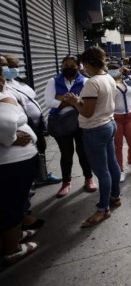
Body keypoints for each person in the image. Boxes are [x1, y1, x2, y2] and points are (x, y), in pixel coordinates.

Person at [64, 47, 121, 228]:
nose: (82, 69)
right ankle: (115, 196)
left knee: (102, 170)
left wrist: (74, 103)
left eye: (83, 65)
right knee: (112, 163)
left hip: (95, 129)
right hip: (109, 124)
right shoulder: (109, 78)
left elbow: (87, 113)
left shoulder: (92, 82)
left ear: (88, 63)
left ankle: (103, 209)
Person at [0, 66, 40, 265]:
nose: (2, 79)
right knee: (10, 205)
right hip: (10, 164)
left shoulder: (9, 90)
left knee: (14, 203)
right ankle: (12, 249)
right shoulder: (4, 98)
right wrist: (11, 138)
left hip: (16, 163)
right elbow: (6, 124)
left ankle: (15, 235)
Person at [2, 55, 61, 187]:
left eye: (16, 67)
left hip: (36, 123)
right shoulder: (5, 86)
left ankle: (42, 175)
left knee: (41, 148)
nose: (13, 70)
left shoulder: (17, 81)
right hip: (22, 126)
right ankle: (30, 182)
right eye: (11, 67)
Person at [44, 55, 96, 198]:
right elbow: (48, 101)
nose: (68, 68)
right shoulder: (53, 81)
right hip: (61, 123)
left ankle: (88, 178)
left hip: (80, 122)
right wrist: (74, 101)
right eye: (65, 66)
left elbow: (86, 102)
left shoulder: (85, 81)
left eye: (72, 66)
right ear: (61, 67)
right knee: (66, 153)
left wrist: (61, 98)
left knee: (83, 152)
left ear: (78, 67)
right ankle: (66, 182)